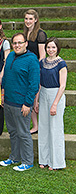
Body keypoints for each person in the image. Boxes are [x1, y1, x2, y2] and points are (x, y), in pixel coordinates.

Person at [0, 33, 40, 171]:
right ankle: (14, 157)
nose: (17, 45)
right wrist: (3, 93)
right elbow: (5, 77)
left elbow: (34, 84)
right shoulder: (10, 56)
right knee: (12, 131)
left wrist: (28, 103)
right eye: (14, 43)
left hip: (22, 104)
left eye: (20, 43)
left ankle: (27, 161)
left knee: (23, 133)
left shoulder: (32, 60)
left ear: (26, 44)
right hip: (9, 101)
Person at [34, 37, 67, 171]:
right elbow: (40, 83)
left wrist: (54, 104)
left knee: (55, 129)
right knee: (43, 128)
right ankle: (45, 159)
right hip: (43, 94)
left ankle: (56, 161)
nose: (50, 50)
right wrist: (36, 100)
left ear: (57, 48)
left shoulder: (61, 64)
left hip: (56, 95)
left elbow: (63, 85)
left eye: (53, 47)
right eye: (48, 47)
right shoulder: (42, 62)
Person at [23, 9, 47, 134]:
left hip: (36, 69)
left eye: (30, 19)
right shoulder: (25, 33)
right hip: (26, 69)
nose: (28, 21)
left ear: (36, 20)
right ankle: (35, 125)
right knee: (29, 97)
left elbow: (42, 55)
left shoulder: (40, 34)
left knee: (35, 98)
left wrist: (34, 69)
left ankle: (39, 125)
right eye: (26, 19)